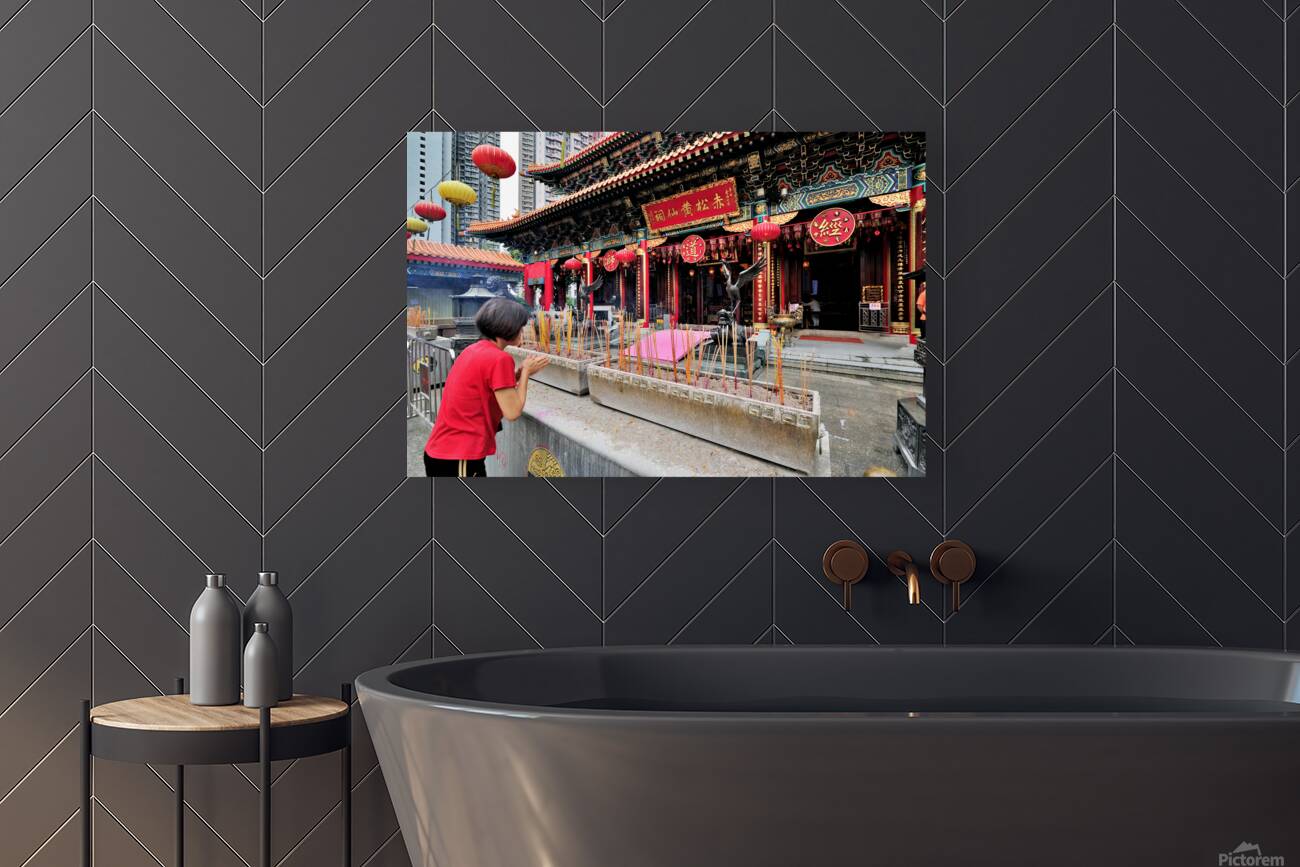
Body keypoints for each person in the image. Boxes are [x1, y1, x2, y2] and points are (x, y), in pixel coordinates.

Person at [423, 298, 549, 477]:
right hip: (458, 456)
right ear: (507, 327)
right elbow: (512, 411)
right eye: (520, 328)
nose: (522, 332)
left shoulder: (472, 350)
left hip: (442, 451)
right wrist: (527, 372)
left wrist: (518, 375)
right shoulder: (500, 359)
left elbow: (485, 386)